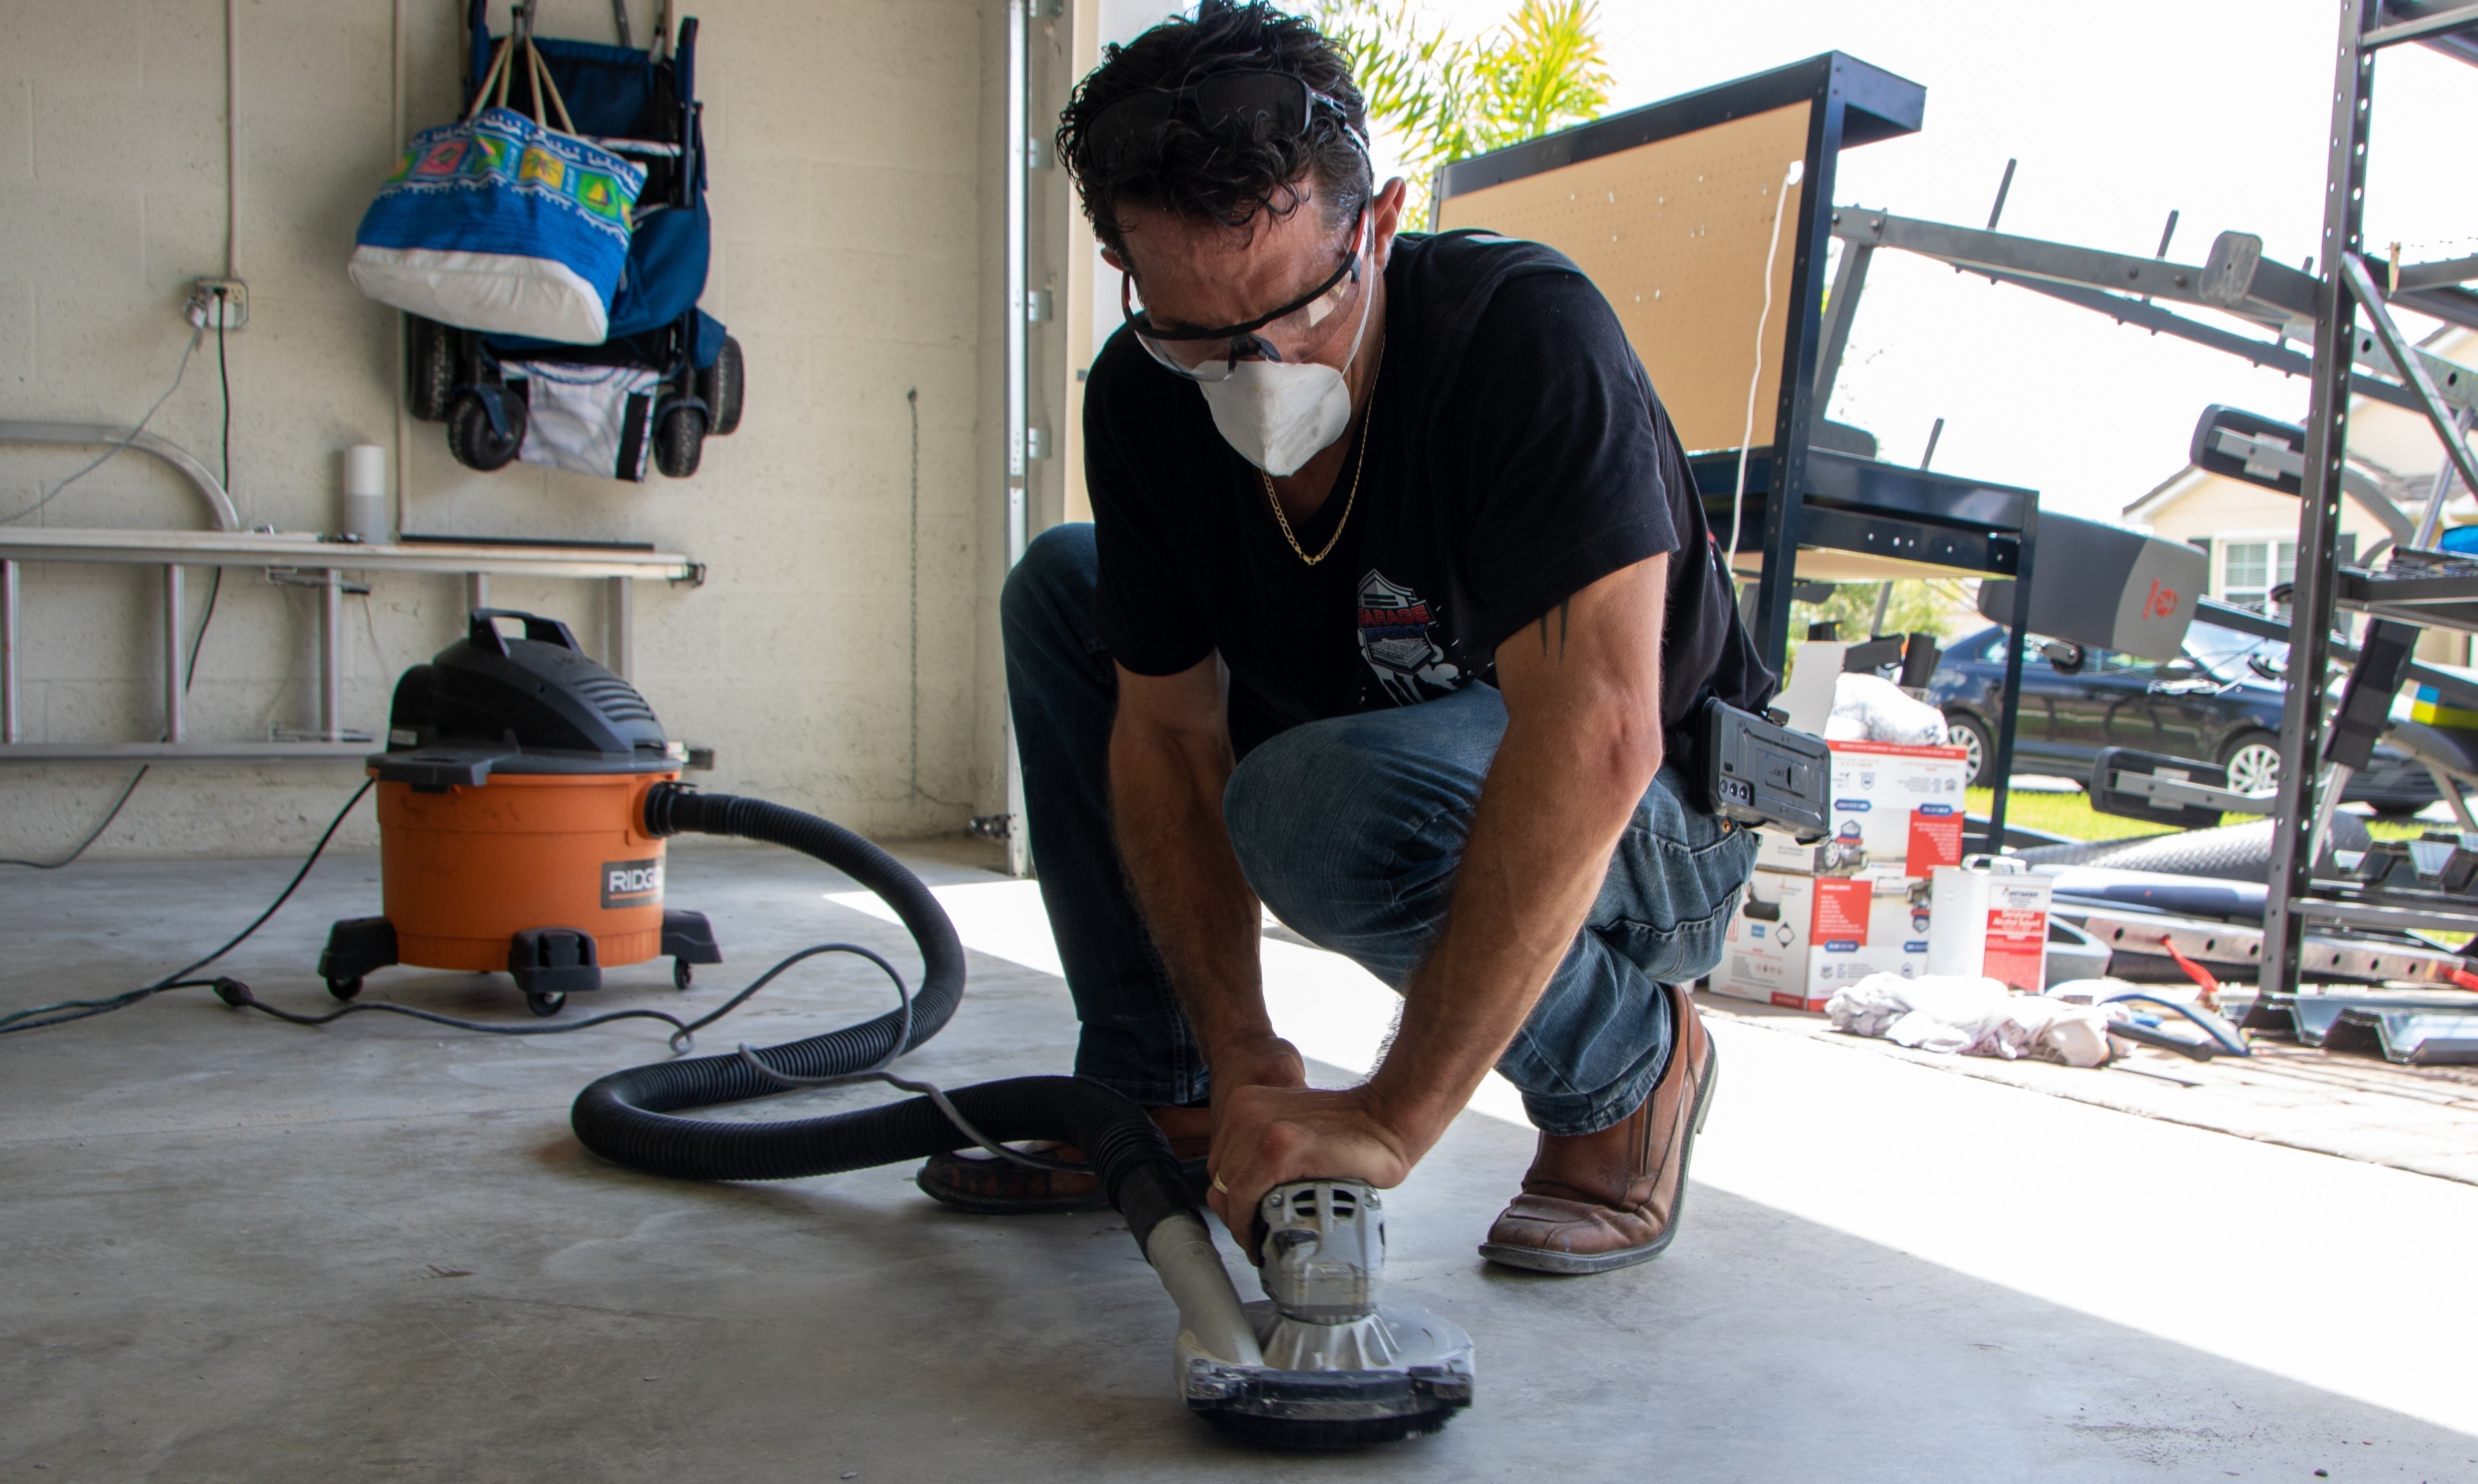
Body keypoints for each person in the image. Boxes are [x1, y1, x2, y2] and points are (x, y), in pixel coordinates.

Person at [917, 0, 1774, 1275]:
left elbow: (1597, 730)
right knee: (1064, 586)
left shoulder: (1519, 337)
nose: (1258, 368)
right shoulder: (1143, 397)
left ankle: (1627, 1076)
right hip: (1379, 734)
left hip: (1661, 812)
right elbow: (1162, 729)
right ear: (1128, 273)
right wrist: (1242, 1045)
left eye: (1299, 309)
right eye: (1195, 332)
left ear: (1377, 224)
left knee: (1313, 801)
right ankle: (1173, 1084)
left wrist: (1388, 1117)